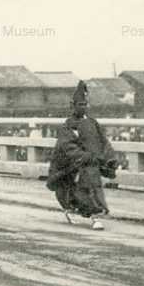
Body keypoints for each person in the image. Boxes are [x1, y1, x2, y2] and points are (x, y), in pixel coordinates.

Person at [47, 81, 117, 230]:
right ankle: (79, 211)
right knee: (75, 190)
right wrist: (82, 156)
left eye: (85, 104)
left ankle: (95, 216)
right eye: (80, 104)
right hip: (75, 164)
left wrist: (108, 158)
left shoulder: (93, 123)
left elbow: (104, 141)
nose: (83, 107)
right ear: (73, 106)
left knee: (93, 189)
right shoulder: (68, 124)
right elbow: (67, 145)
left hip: (92, 163)